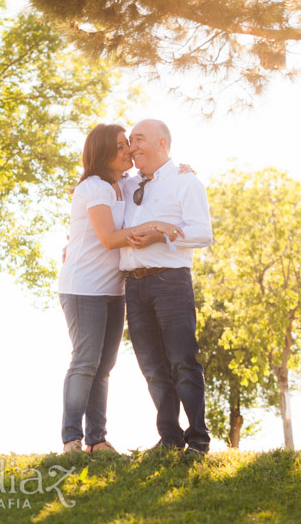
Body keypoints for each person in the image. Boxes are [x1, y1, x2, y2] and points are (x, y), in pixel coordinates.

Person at [58, 123, 183, 454]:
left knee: (104, 368)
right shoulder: (94, 188)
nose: (128, 149)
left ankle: (97, 440)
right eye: (120, 146)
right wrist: (155, 226)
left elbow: (160, 177)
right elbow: (110, 238)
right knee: (85, 362)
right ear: (102, 154)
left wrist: (183, 170)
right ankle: (71, 438)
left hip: (113, 289)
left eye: (128, 143)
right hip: (83, 288)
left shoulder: (124, 185)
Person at [120, 118, 213, 455]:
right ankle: (170, 439)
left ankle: (198, 439)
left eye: (139, 139)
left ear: (162, 143)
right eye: (130, 141)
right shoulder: (127, 185)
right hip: (134, 286)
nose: (132, 147)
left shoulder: (185, 181)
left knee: (182, 362)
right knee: (152, 368)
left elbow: (203, 232)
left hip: (170, 282)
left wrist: (162, 234)